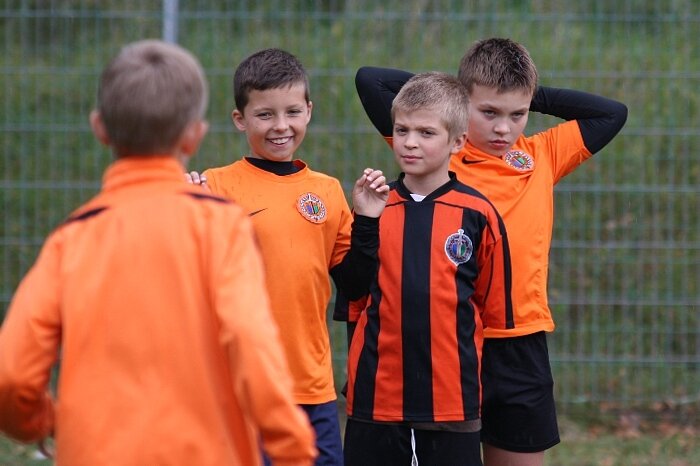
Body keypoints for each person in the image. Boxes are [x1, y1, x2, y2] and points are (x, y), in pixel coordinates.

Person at [0, 39, 316, 466]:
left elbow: (11, 377)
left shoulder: (71, 240)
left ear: (99, 128)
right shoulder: (221, 228)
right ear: (194, 134)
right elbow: (252, 346)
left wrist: (43, 422)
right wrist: (292, 449)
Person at [354, 37, 628, 466]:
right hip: (450, 343)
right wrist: (453, 95)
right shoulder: (438, 148)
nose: (503, 128)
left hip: (519, 341)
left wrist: (525, 94)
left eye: (517, 115)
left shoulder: (542, 154)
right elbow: (370, 80)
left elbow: (612, 113)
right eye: (489, 113)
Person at [186, 48, 357, 466]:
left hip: (311, 386)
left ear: (309, 111)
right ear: (240, 119)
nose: (281, 126)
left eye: (292, 112)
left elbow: (357, 282)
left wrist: (368, 222)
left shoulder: (328, 191)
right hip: (242, 387)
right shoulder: (214, 187)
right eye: (265, 115)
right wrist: (184, 213)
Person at [336, 71, 513, 466]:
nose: (410, 142)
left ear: (457, 142)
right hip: (376, 402)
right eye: (402, 130)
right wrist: (365, 222)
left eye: (426, 133)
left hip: (452, 402)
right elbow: (353, 297)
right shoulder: (372, 206)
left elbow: (492, 314)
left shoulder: (478, 214)